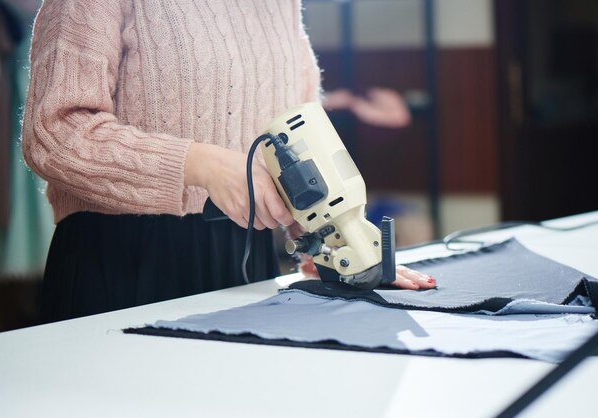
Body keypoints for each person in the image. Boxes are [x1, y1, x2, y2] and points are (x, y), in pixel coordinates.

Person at [23, 0, 435, 323]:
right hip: (123, 262)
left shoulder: (282, 5)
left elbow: (296, 139)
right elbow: (54, 134)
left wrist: (346, 244)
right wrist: (200, 163)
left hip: (245, 264)